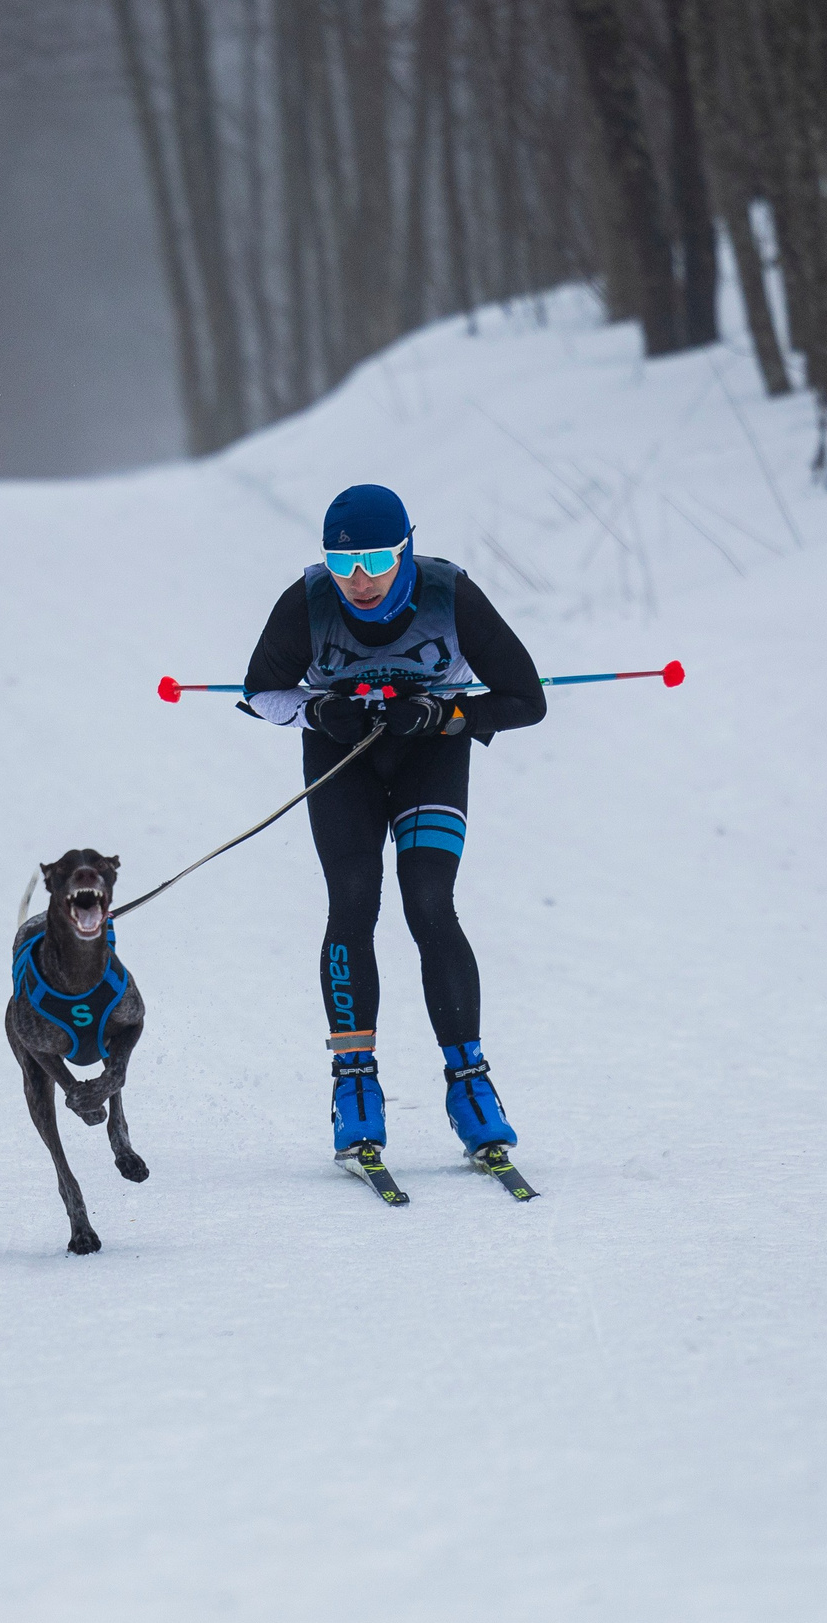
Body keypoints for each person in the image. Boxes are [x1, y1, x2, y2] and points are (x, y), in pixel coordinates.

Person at [240, 483, 546, 1172]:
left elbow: (526, 700)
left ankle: (471, 1084)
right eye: (343, 564)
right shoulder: (309, 601)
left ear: (407, 546)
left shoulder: (449, 594)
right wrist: (319, 714)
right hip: (341, 753)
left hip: (429, 753)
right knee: (353, 899)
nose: (361, 580)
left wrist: (445, 716)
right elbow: (259, 689)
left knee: (429, 902)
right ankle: (354, 1084)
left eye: (377, 559)